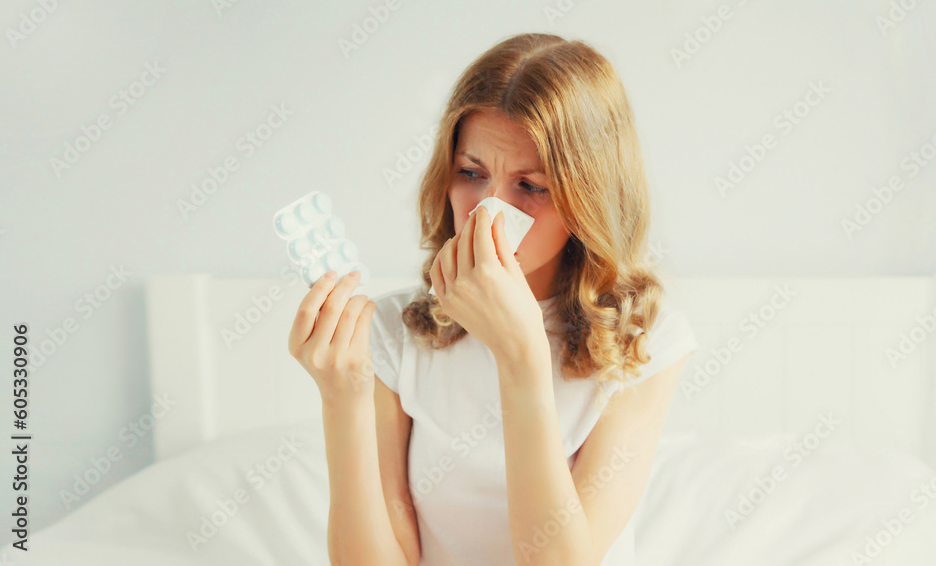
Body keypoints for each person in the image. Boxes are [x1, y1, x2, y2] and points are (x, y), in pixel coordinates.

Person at [288, 32, 699, 566]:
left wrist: (521, 355)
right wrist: (342, 400)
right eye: (471, 174)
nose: (487, 212)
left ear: (588, 200)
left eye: (530, 186)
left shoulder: (645, 338)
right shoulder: (394, 333)